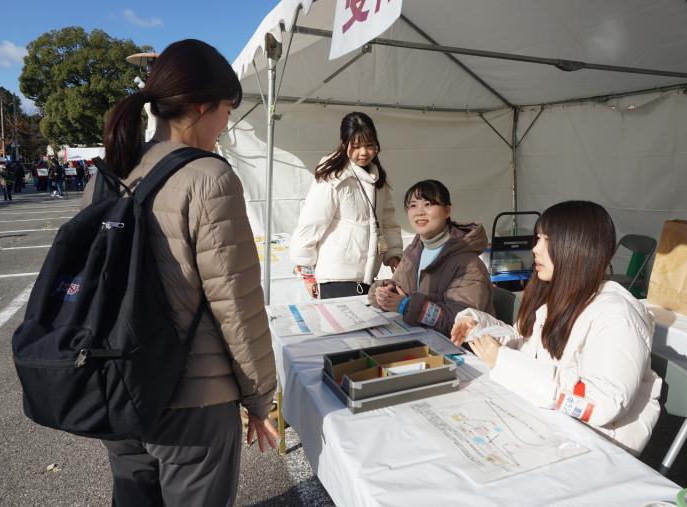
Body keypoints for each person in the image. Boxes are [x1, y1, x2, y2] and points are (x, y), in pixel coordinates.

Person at [81, 39, 278, 505]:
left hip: (116, 385)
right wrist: (259, 399)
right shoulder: (209, 176)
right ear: (202, 106)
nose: (226, 124)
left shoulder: (107, 172)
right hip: (193, 399)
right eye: (227, 110)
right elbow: (236, 304)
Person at [451, 201, 661, 455]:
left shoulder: (616, 315)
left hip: (594, 449)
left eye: (546, 239)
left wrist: (504, 361)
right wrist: (479, 326)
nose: (535, 248)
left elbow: (602, 403)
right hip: (542, 426)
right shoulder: (554, 295)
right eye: (537, 238)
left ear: (578, 248)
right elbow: (521, 342)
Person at [290, 111, 403, 299]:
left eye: (369, 145)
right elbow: (311, 224)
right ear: (345, 144)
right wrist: (307, 272)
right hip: (336, 277)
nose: (364, 152)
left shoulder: (378, 179)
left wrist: (394, 254)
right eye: (357, 146)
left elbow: (388, 221)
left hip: (368, 279)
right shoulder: (333, 177)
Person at [368, 180, 494, 336]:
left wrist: (406, 306)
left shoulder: (467, 264)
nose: (419, 212)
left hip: (458, 350)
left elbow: (459, 323)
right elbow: (398, 286)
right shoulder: (413, 251)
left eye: (428, 204)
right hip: (420, 337)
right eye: (413, 205)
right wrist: (383, 292)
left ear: (447, 211)